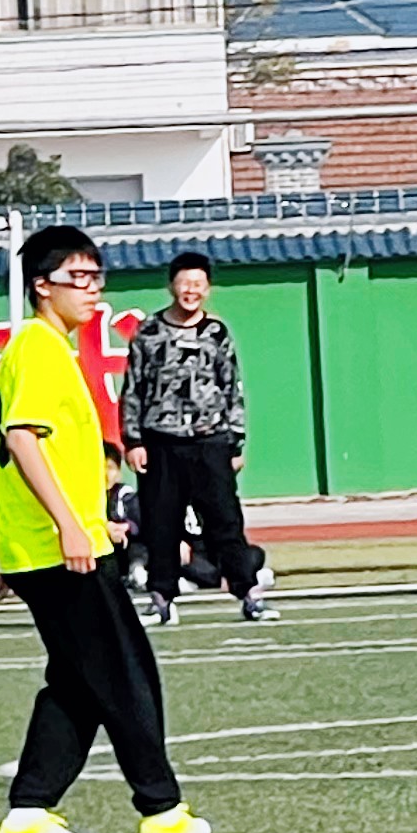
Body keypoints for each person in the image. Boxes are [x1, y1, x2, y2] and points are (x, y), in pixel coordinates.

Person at [0, 225, 213, 833]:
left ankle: (30, 813)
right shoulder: (36, 346)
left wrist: (8, 541)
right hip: (60, 550)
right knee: (126, 674)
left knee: (78, 682)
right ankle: (161, 809)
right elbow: (19, 442)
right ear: (42, 286)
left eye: (96, 277)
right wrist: (66, 525)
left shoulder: (39, 350)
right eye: (77, 278)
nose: (92, 291)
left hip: (42, 545)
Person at [123, 248, 274, 625]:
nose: (190, 290)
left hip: (210, 441)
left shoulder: (216, 332)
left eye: (198, 284)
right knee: (161, 524)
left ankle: (248, 595)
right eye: (184, 283)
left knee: (225, 522)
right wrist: (133, 441)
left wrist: (235, 441)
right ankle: (161, 599)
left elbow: (232, 388)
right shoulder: (149, 332)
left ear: (208, 289)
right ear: (171, 285)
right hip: (160, 442)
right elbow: (133, 388)